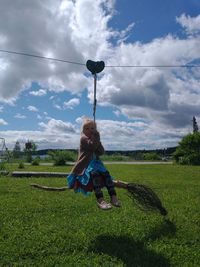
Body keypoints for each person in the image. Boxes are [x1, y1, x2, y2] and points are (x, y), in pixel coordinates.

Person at [67, 118, 121, 210]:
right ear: (83, 130)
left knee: (106, 175)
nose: (89, 131)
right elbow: (91, 146)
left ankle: (113, 197)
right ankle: (100, 200)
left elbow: (101, 152)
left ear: (95, 130)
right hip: (86, 165)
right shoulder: (83, 139)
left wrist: (97, 140)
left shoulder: (94, 139)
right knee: (95, 175)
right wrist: (96, 137)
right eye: (87, 129)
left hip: (96, 163)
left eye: (92, 128)